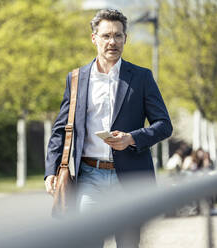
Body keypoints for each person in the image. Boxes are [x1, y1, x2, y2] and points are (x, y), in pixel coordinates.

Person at [44, 9, 172, 248]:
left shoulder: (142, 77)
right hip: (90, 177)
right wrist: (51, 170)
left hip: (131, 180)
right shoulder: (76, 78)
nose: (112, 42)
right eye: (106, 36)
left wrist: (132, 138)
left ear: (125, 38)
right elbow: (61, 129)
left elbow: (164, 125)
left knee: (128, 244)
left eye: (118, 36)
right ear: (94, 38)